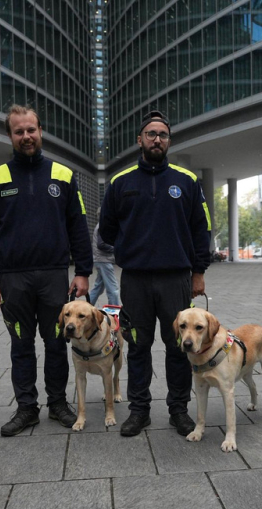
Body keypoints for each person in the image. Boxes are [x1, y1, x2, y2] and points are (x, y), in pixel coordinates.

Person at [0, 104, 92, 436]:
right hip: (13, 280)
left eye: (31, 130)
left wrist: (82, 271)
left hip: (55, 276)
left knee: (57, 343)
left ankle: (58, 404)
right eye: (18, 131)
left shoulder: (63, 175)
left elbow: (78, 227)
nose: (26, 136)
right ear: (10, 135)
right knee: (21, 344)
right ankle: (26, 408)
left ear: (40, 131)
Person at [100, 110, 211, 437]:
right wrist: (133, 243)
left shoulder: (186, 181)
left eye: (162, 134)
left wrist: (198, 272)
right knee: (137, 346)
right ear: (140, 139)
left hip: (176, 279)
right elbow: (106, 230)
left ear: (169, 141)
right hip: (134, 280)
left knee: (181, 346)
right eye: (151, 134)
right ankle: (139, 411)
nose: (157, 139)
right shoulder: (121, 182)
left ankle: (178, 410)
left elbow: (200, 229)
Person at [89, 209, 120, 306]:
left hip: (101, 260)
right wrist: (115, 248)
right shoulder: (103, 226)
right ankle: (114, 312)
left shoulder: (100, 226)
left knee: (98, 288)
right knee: (113, 289)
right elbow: (101, 245)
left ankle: (86, 307)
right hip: (104, 260)